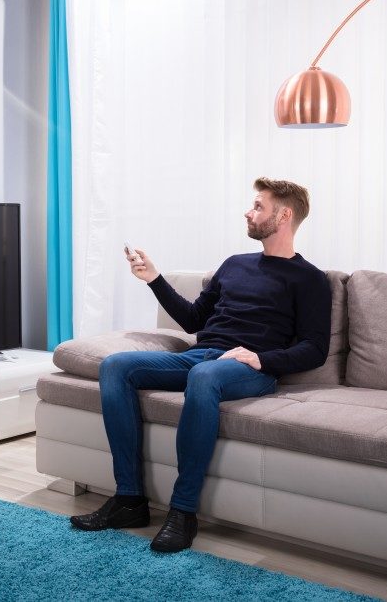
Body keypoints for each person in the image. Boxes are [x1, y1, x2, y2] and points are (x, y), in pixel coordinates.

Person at [70, 177, 332, 553]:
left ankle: (183, 511)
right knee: (115, 366)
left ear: (284, 215)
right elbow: (194, 319)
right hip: (200, 357)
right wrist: (154, 279)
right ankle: (129, 500)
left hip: (249, 370)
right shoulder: (234, 265)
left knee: (204, 374)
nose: (248, 211)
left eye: (258, 205)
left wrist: (260, 358)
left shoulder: (310, 279)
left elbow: (315, 348)